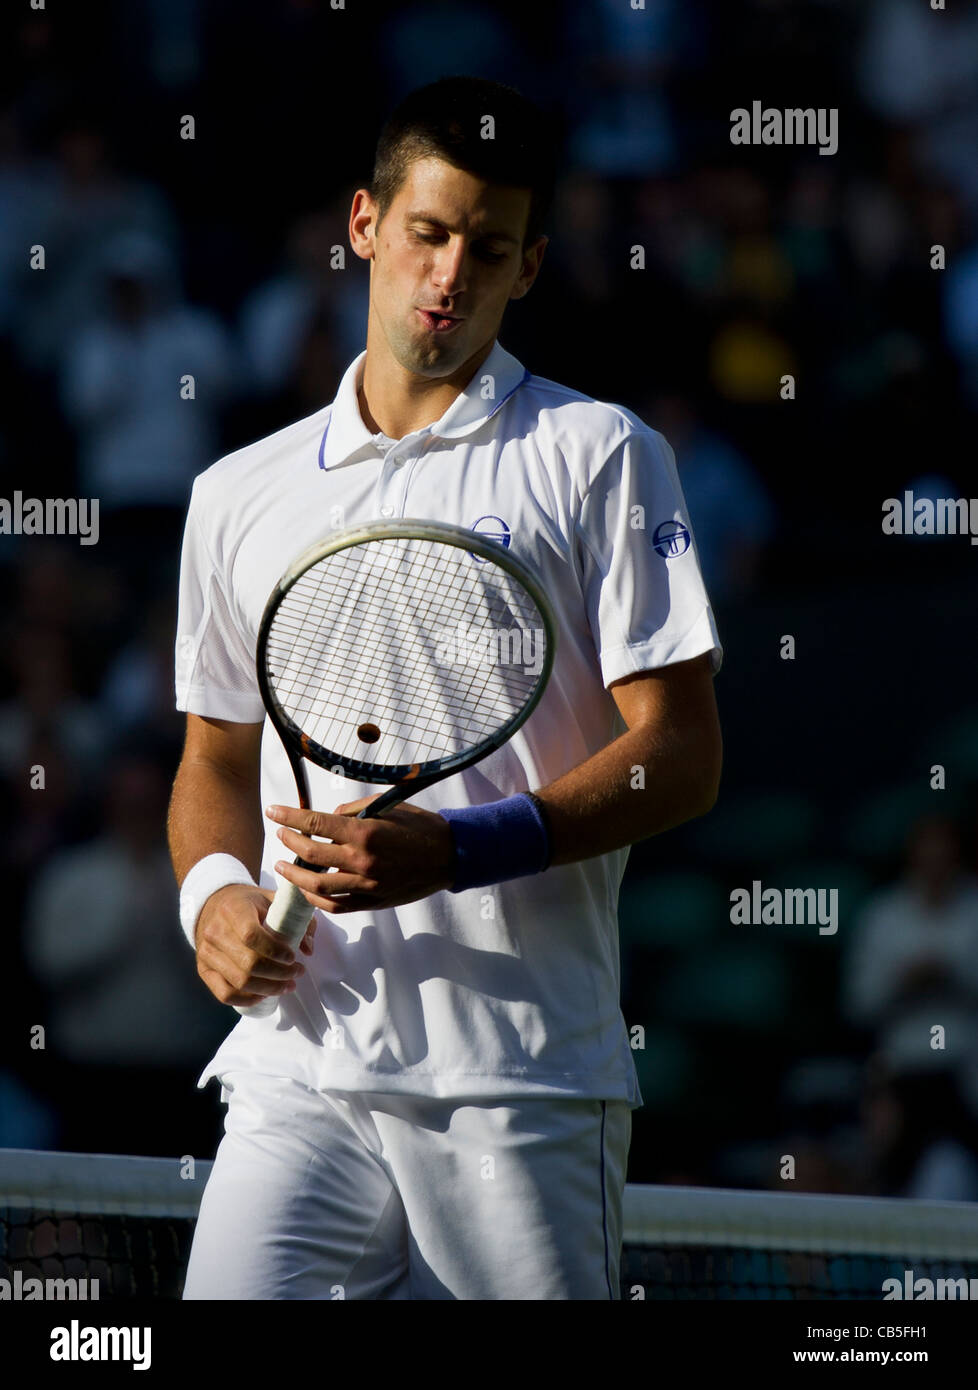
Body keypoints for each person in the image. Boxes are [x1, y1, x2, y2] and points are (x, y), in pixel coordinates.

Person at [168, 76, 723, 1301]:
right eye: (429, 231)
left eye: (490, 246)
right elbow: (212, 760)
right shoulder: (236, 493)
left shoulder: (604, 455)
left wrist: (461, 850)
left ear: (527, 270)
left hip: (518, 1079)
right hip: (294, 1065)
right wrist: (211, 896)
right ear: (365, 223)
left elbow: (682, 752)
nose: (450, 273)